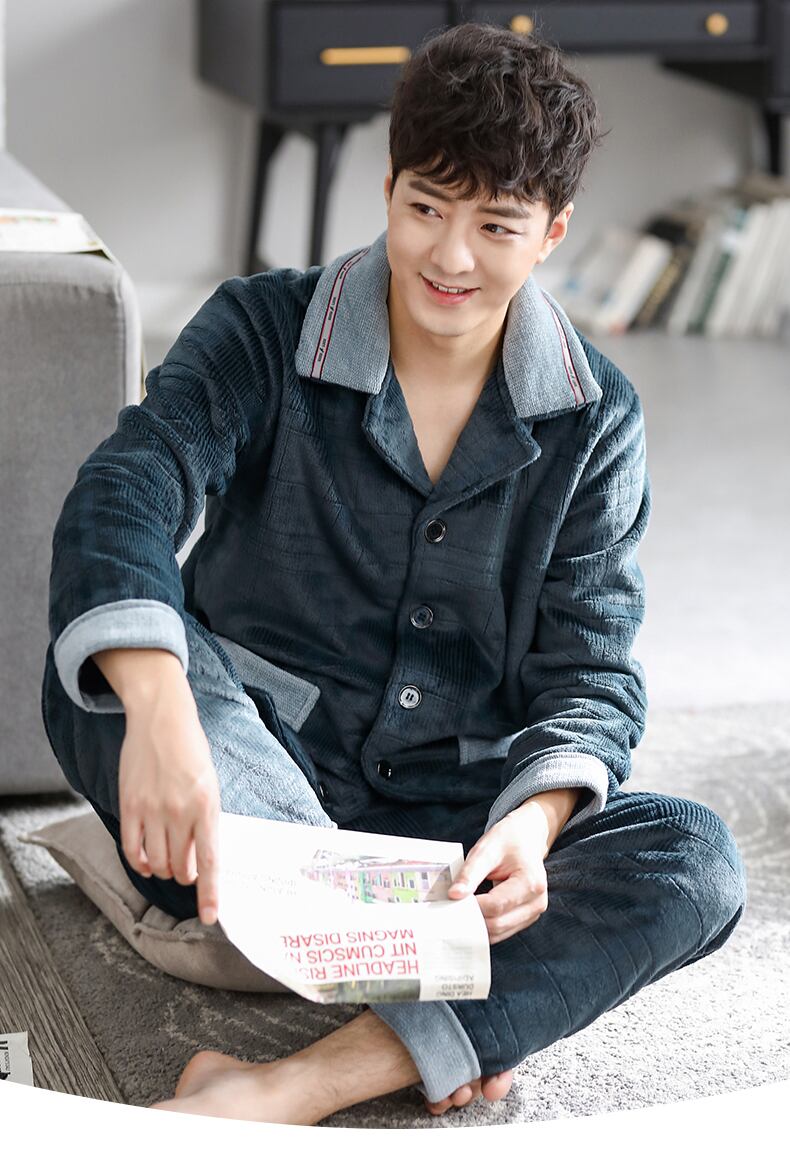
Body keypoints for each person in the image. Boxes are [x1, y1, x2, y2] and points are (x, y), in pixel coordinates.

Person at [41, 22, 747, 1125]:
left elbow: (591, 674)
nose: (449, 257)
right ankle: (453, 996)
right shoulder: (262, 328)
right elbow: (129, 488)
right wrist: (167, 708)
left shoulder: (598, 417)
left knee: (695, 860)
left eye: (496, 226)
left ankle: (292, 1082)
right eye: (425, 208)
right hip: (249, 793)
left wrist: (535, 824)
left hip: (449, 839)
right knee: (105, 673)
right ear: (387, 188)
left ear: (553, 231)